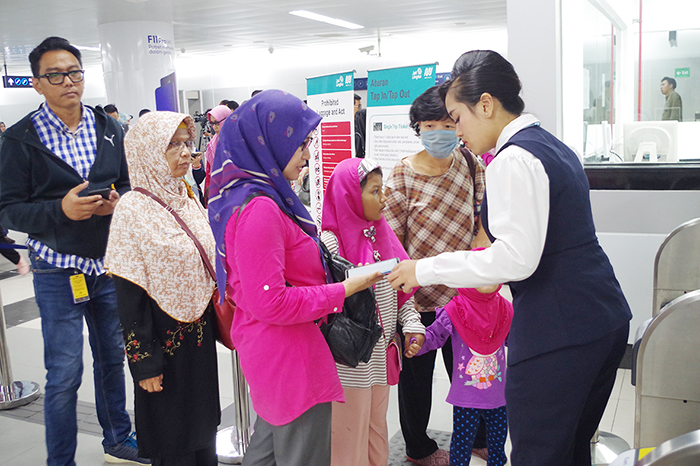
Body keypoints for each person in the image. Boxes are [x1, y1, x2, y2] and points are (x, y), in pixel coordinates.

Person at [388, 50, 632, 466]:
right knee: (570, 448)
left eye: (457, 117)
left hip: (560, 330)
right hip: (601, 317)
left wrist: (422, 269)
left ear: (486, 104)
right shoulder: (551, 145)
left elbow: (516, 259)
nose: (457, 131)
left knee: (540, 451)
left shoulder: (512, 159)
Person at [208, 89, 382, 466]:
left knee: (268, 451)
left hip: (278, 349)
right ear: (266, 143)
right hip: (288, 357)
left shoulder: (254, 196)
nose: (307, 154)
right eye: (300, 144)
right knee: (300, 452)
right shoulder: (261, 209)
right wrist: (344, 288)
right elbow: (269, 300)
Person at [0, 36, 147, 465]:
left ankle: (118, 440)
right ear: (37, 83)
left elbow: (126, 183)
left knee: (111, 359)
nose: (69, 82)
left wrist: (119, 200)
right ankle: (59, 459)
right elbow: (8, 210)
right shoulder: (21, 140)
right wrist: (60, 210)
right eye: (56, 75)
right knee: (64, 374)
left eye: (75, 72)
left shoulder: (108, 128)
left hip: (106, 265)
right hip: (57, 270)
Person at [105, 112, 220, 465]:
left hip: (198, 341)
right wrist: (144, 364)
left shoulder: (187, 196)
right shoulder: (132, 209)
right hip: (161, 347)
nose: (186, 152)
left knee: (203, 434)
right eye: (173, 144)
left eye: (187, 143)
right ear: (148, 151)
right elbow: (128, 296)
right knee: (173, 440)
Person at [383, 84, 485, 466]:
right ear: (418, 128)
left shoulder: (471, 163)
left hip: (463, 295)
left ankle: (475, 436)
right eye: (430, 125)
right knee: (416, 379)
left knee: (469, 373)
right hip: (418, 299)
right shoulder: (401, 175)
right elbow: (393, 245)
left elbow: (480, 221)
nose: (440, 132)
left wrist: (479, 270)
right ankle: (417, 446)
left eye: (447, 123)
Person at [320, 157, 425, 466]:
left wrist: (412, 324)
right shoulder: (331, 242)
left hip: (380, 357)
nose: (384, 199)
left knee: (376, 431)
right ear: (350, 195)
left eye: (384, 190)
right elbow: (332, 298)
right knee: (347, 438)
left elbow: (402, 292)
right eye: (375, 191)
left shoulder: (383, 233)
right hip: (349, 361)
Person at [406, 240, 512, 466]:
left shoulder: (505, 308)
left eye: (492, 273)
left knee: (497, 445)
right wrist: (417, 343)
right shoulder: (455, 309)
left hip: (498, 397)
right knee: (461, 447)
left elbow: (516, 341)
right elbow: (434, 336)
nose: (487, 278)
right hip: (466, 397)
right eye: (480, 273)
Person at [202, 104, 232, 200]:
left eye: (217, 123)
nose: (215, 127)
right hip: (219, 188)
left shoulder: (237, 140)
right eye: (212, 123)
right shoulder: (212, 143)